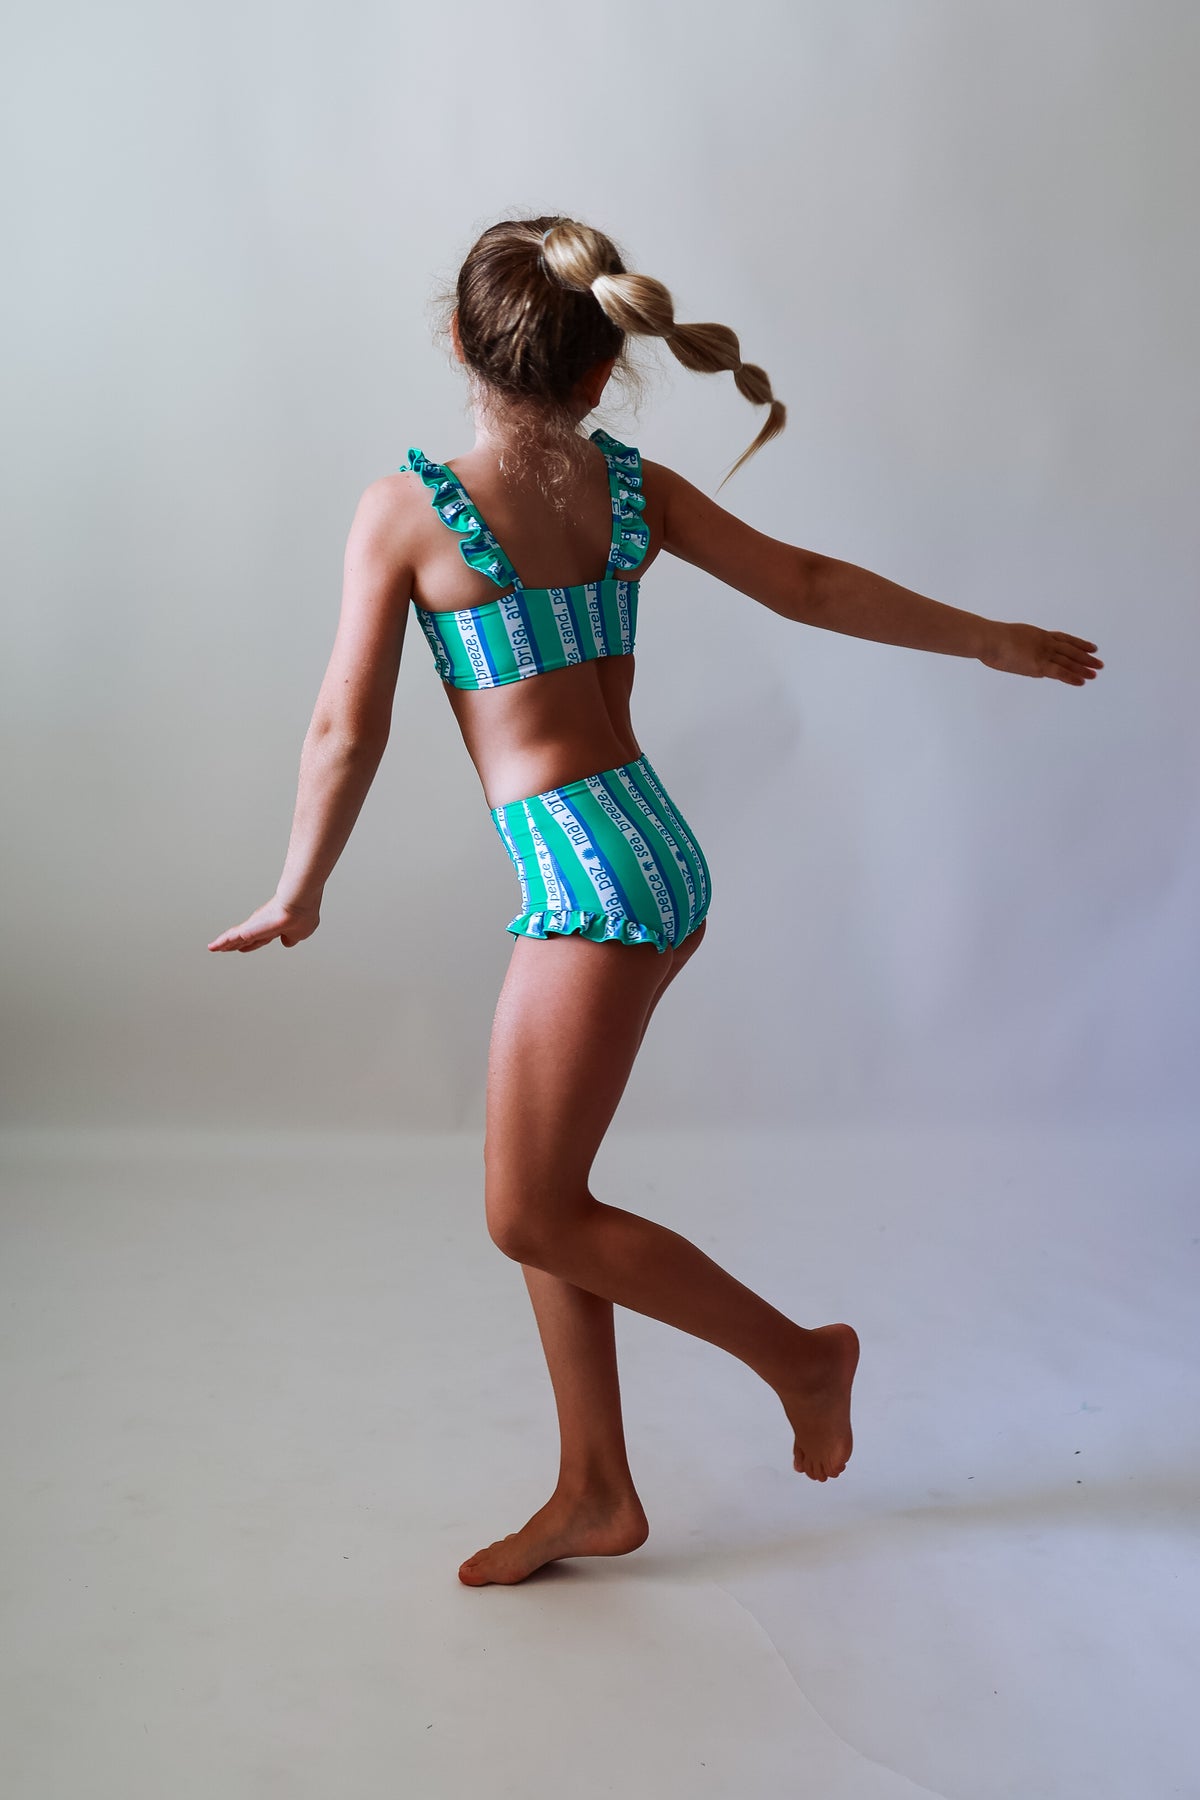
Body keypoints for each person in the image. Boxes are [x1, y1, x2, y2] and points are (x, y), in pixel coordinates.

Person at [208, 214, 1104, 1587]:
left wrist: (298, 887)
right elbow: (808, 584)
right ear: (598, 369)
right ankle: (594, 1490)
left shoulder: (407, 511)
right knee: (543, 1188)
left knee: (526, 1209)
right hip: (643, 846)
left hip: (591, 875)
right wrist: (987, 639)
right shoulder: (633, 491)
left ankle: (801, 1361)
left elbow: (346, 727)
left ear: (456, 340)